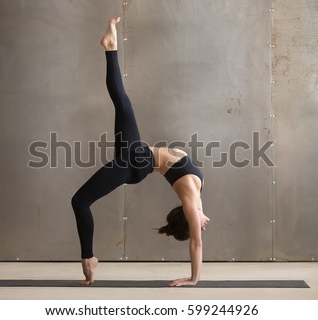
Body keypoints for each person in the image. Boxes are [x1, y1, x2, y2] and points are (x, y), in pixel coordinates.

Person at [71, 17, 210, 286]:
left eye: (197, 223)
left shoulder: (192, 202)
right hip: (137, 162)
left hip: (137, 159)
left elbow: (196, 243)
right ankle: (89, 260)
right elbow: (196, 226)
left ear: (189, 218)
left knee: (123, 104)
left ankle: (88, 259)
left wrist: (193, 279)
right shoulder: (197, 195)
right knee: (122, 104)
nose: (204, 224)